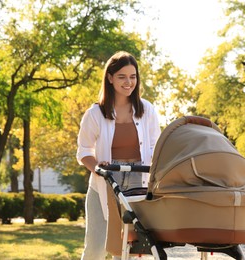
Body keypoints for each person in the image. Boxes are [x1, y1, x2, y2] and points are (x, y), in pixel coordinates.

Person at [76, 51, 161, 260]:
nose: (128, 82)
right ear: (110, 78)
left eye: (133, 77)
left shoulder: (147, 110)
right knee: (96, 247)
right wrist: (98, 168)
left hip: (137, 180)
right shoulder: (95, 114)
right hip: (105, 182)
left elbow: (156, 147)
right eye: (122, 76)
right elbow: (84, 151)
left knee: (130, 248)